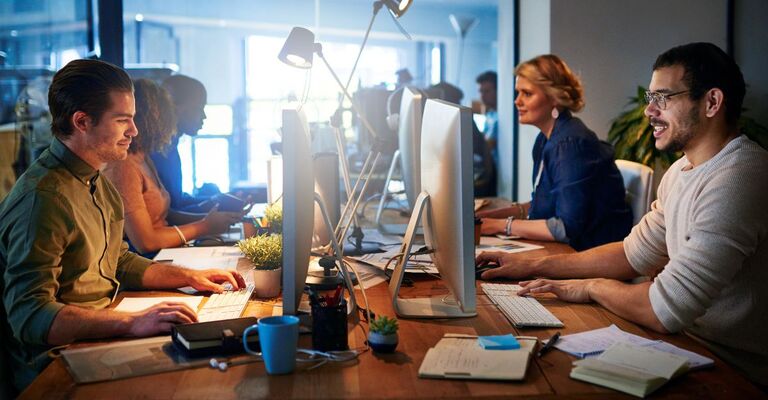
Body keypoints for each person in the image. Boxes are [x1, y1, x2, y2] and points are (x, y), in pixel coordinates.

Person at [477, 43, 768, 387]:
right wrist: (533, 265)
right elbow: (632, 253)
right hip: (686, 347)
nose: (649, 111)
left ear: (711, 103)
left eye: (663, 97)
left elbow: (664, 308)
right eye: (650, 97)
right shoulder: (681, 171)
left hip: (734, 371)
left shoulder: (740, 176)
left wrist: (592, 287)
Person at [0, 59, 245, 394]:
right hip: (56, 367)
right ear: (82, 122)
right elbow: (30, 316)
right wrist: (132, 323)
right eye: (122, 120)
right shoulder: (44, 199)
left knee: (216, 364)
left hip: (100, 337)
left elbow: (119, 260)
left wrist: (188, 277)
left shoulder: (96, 179)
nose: (135, 130)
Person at [477, 55, 632, 251]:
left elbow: (567, 227)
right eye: (518, 93)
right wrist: (491, 217)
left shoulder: (569, 144)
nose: (517, 101)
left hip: (588, 254)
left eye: (527, 93)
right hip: (571, 248)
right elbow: (546, 204)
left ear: (554, 99)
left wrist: (500, 225)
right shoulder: (546, 139)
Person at [103, 79, 242, 257]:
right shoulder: (124, 166)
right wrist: (204, 226)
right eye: (169, 116)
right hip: (149, 259)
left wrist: (212, 219)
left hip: (167, 253)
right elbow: (146, 242)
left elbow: (165, 215)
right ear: (153, 120)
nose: (172, 125)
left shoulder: (144, 158)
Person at [149, 74, 215, 213]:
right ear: (175, 108)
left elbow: (175, 201)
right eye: (198, 108)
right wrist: (208, 215)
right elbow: (166, 214)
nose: (204, 116)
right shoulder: (156, 152)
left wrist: (215, 201)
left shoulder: (170, 147)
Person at [476, 70, 499, 163]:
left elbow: (486, 145)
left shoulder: (502, 117)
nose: (482, 96)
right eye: (481, 92)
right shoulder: (490, 115)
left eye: (487, 91)